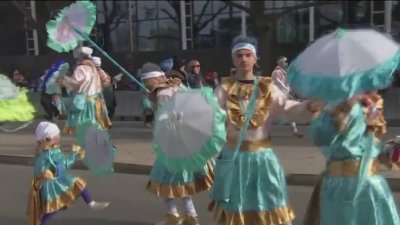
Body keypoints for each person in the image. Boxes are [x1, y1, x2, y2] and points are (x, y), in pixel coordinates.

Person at [208, 36, 322, 225]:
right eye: (239, 55)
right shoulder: (222, 90)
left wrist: (309, 106)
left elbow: (288, 108)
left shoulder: (268, 88)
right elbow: (211, 118)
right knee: (236, 206)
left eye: (248, 55)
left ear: (255, 58)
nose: (243, 59)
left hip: (262, 158)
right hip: (234, 158)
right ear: (233, 59)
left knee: (270, 201)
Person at [141, 62, 213, 225]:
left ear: (154, 79)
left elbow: (164, 119)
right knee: (177, 181)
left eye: (146, 82)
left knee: (165, 181)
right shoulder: (176, 86)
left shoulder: (163, 93)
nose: (145, 85)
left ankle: (178, 216)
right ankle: (185, 215)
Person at [27, 121, 109, 225]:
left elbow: (48, 166)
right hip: (52, 184)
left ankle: (91, 203)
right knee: (56, 205)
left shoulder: (48, 151)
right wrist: (74, 155)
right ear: (50, 139)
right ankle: (91, 203)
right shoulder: (49, 153)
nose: (59, 136)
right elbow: (60, 164)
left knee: (58, 204)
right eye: (57, 135)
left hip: (54, 180)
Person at [58, 46, 112, 134]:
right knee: (94, 123)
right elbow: (106, 82)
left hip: (85, 102)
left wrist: (63, 80)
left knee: (83, 124)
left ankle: (86, 143)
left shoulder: (81, 69)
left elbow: (75, 82)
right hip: (97, 101)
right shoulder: (94, 69)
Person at [271, 56, 303, 138]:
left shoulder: (285, 72)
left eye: (286, 61)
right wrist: (289, 93)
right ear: (280, 63)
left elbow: (287, 85)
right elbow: (279, 84)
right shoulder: (276, 72)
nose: (287, 63)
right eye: (285, 61)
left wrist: (292, 92)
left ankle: (294, 130)